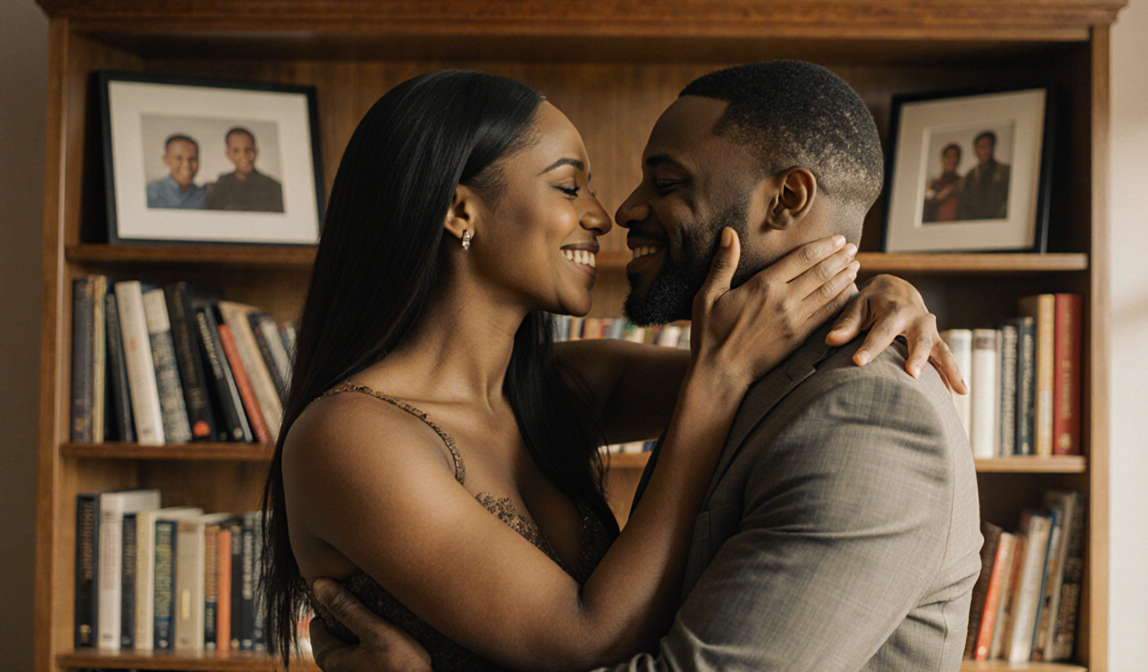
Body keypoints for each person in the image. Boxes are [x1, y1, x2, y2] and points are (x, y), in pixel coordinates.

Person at [264, 68, 966, 672]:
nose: (608, 216)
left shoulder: (564, 385)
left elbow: (787, 377)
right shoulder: (349, 436)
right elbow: (584, 634)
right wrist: (714, 380)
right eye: (571, 187)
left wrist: (873, 291)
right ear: (459, 209)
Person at [206, 127, 285, 212]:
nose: (243, 156)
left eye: (248, 150)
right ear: (228, 154)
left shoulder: (274, 189)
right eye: (236, 151)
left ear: (256, 151)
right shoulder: (218, 189)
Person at [957, 130, 1011, 220]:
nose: (984, 150)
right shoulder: (970, 175)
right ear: (975, 150)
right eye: (980, 147)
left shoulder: (1005, 171)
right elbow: (964, 205)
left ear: (993, 146)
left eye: (987, 145)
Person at [146, 133, 207, 209]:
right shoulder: (149, 194)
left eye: (192, 159)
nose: (186, 165)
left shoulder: (203, 197)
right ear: (166, 160)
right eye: (179, 158)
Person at [923, 142, 963, 222]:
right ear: (943, 158)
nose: (951, 160)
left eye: (954, 157)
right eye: (948, 157)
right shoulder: (934, 182)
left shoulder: (962, 183)